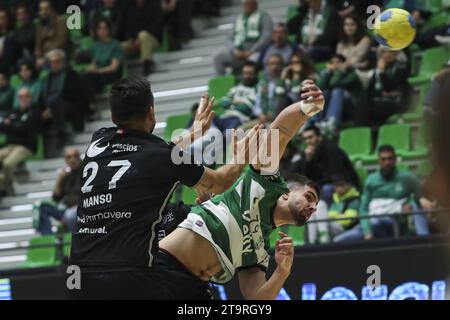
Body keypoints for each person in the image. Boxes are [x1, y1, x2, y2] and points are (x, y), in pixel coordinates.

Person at [68, 77, 261, 299]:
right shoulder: (165, 157)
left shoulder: (97, 142)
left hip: (78, 276)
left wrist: (194, 134)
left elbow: (150, 156)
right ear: (151, 112)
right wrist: (243, 155)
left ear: (113, 117)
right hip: (129, 277)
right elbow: (220, 182)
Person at [156, 80, 325, 300]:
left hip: (195, 289)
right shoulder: (266, 183)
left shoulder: (260, 250)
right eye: (309, 197)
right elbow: (280, 131)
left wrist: (282, 272)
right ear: (286, 193)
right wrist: (307, 108)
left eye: (315, 206)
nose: (313, 207)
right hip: (163, 267)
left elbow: (256, 299)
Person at [334, 145, 429, 242]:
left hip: (394, 222)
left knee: (377, 223)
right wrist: (367, 231)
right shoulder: (371, 181)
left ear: (395, 159)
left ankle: (424, 240)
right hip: (372, 222)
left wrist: (410, 202)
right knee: (338, 241)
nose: (387, 162)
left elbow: (420, 195)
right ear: (379, 161)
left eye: (390, 159)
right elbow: (364, 208)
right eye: (383, 159)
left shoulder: (407, 178)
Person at [288, 125, 360, 205]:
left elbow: (333, 176)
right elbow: (303, 175)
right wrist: (308, 160)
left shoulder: (332, 151)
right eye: (305, 139)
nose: (308, 141)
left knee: (326, 189)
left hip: (345, 184)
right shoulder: (308, 153)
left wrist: (314, 186)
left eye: (310, 137)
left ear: (319, 137)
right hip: (323, 184)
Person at [39, 49, 88, 157]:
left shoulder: (71, 74)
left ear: (63, 61)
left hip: (69, 106)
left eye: (57, 61)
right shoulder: (46, 78)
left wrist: (50, 107)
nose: (55, 64)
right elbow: (41, 97)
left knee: (55, 101)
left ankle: (63, 133)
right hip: (49, 107)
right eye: (52, 62)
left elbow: (74, 94)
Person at [213, 0, 273, 75]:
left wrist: (252, 50)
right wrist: (235, 51)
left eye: (250, 4)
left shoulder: (264, 17)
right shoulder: (239, 18)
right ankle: (221, 82)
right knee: (218, 56)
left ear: (255, 5)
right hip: (238, 53)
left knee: (253, 60)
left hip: (257, 52)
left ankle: (251, 82)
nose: (247, 6)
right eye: (245, 4)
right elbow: (229, 39)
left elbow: (266, 37)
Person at [0, 87, 41, 196]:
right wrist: (15, 126)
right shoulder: (14, 111)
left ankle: (3, 188)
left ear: (30, 97)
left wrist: (11, 125)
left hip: (25, 146)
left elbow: (26, 129)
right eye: (20, 96)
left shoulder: (35, 111)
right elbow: (2, 126)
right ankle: (6, 185)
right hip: (9, 145)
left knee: (7, 163)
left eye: (26, 96)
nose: (23, 98)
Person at [34, 148, 81, 235]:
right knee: (42, 207)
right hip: (67, 209)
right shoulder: (66, 175)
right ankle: (48, 238)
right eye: (69, 157)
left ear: (79, 158)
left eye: (75, 156)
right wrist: (59, 179)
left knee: (70, 215)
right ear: (65, 160)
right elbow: (56, 199)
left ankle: (74, 238)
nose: (72, 160)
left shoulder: (85, 171)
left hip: (81, 209)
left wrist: (73, 209)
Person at [314, 53, 366, 133]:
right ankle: (318, 121)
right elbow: (319, 87)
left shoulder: (352, 74)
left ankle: (332, 121)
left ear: (344, 64)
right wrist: (327, 72)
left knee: (337, 90)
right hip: (338, 109)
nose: (335, 65)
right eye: (332, 63)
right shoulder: (329, 74)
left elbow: (335, 83)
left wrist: (341, 70)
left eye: (338, 62)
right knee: (325, 92)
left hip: (353, 108)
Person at [307, 173, 361, 244]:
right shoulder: (334, 198)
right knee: (316, 209)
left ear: (349, 185)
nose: (339, 188)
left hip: (344, 230)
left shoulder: (354, 199)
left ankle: (323, 235)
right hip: (329, 225)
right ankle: (312, 242)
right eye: (336, 186)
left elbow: (347, 220)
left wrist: (330, 216)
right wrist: (335, 215)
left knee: (320, 215)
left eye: (342, 185)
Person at [81, 17, 123, 103]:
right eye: (99, 28)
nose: (102, 30)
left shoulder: (115, 45)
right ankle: (88, 103)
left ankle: (90, 104)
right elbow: (94, 63)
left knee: (88, 78)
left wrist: (99, 71)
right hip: (98, 74)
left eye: (104, 28)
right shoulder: (95, 45)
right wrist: (90, 68)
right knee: (81, 76)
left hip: (111, 73)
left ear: (109, 29)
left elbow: (114, 67)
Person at [367, 47, 409, 124]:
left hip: (395, 103)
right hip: (379, 101)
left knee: (370, 109)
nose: (387, 55)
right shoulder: (377, 71)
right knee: (364, 104)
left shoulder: (401, 68)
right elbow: (370, 92)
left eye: (390, 52)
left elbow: (390, 87)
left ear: (396, 54)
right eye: (384, 52)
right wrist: (382, 93)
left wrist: (382, 72)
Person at [120, 0, 163, 75]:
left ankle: (147, 66)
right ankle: (119, 73)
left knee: (143, 35)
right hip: (134, 42)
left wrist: (139, 39)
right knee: (119, 46)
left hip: (152, 38)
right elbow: (126, 26)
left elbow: (157, 26)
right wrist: (130, 38)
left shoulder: (154, 4)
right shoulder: (129, 6)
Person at [216, 61, 259, 130]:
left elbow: (245, 108)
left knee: (226, 134)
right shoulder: (236, 88)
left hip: (239, 119)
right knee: (204, 121)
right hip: (224, 117)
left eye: (250, 73)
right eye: (245, 73)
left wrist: (231, 102)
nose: (247, 76)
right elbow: (223, 103)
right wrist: (237, 102)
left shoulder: (257, 89)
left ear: (255, 74)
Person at [253, 54, 289, 124]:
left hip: (281, 120)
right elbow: (257, 104)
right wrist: (260, 114)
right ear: (268, 66)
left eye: (277, 64)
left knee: (273, 133)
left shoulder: (286, 83)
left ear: (282, 66)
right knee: (239, 131)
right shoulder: (262, 83)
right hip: (262, 119)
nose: (274, 67)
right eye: (271, 64)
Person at [34, 0, 69, 69]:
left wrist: (46, 55)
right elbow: (38, 43)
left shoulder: (61, 21)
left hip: (59, 51)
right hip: (44, 54)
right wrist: (38, 57)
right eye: (41, 9)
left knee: (52, 58)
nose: (43, 12)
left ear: (52, 9)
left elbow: (61, 42)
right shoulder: (39, 24)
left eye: (46, 9)